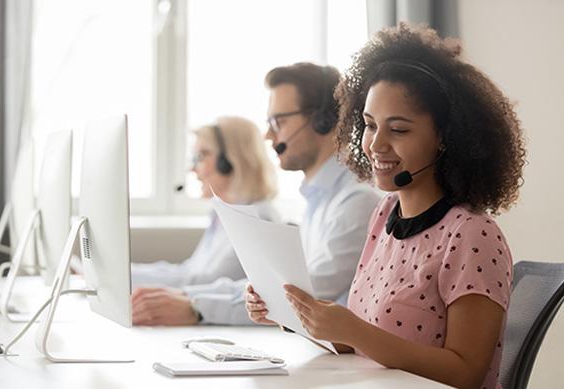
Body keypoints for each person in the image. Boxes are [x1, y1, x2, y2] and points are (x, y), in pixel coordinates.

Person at [246, 24, 526, 389]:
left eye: (399, 130)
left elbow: (466, 372)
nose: (375, 145)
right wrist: (292, 315)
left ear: (445, 138)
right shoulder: (384, 215)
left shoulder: (472, 234)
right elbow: (366, 345)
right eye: (369, 125)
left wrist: (355, 332)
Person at [135, 62, 381, 326]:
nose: (268, 135)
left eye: (279, 121)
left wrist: (198, 307)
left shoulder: (355, 202)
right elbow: (271, 286)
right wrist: (190, 298)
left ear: (323, 122)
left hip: (342, 359)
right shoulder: (317, 201)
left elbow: (303, 296)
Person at [132, 116, 279, 325]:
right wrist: (125, 272)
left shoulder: (258, 218)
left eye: (201, 156)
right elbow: (189, 271)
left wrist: (122, 278)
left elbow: (204, 281)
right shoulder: (222, 215)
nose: (193, 169)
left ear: (229, 161)